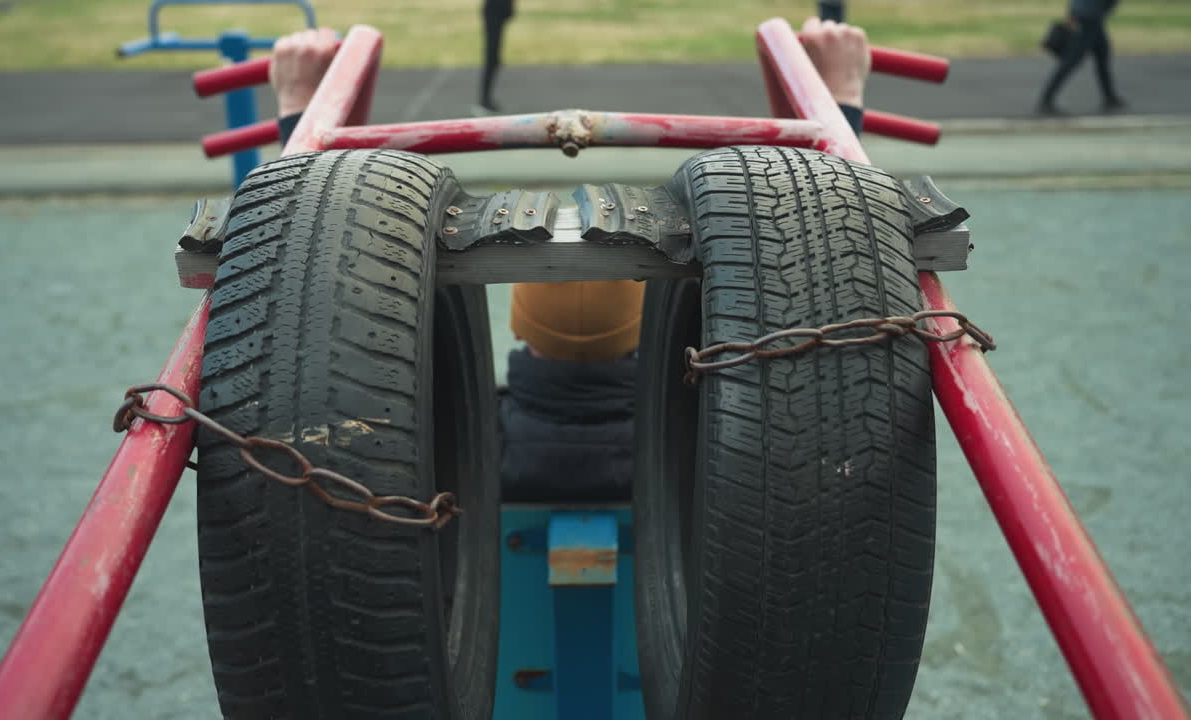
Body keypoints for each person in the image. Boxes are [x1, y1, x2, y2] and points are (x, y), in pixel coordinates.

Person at [264, 18, 875, 502]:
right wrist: (841, 104)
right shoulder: (707, 443)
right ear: (648, 331)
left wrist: (300, 113)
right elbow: (819, 284)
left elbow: (318, 299)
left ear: (521, 329)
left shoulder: (471, 446)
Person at [1039, 0, 1125, 115]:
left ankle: (1109, 97)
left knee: (1102, 55)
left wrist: (1072, 11)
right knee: (1071, 61)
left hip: (1088, 15)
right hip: (1089, 18)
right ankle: (1046, 99)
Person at [478, 0, 515, 114]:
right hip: (494, 12)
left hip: (498, 12)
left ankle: (485, 99)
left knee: (494, 59)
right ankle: (484, 100)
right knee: (492, 58)